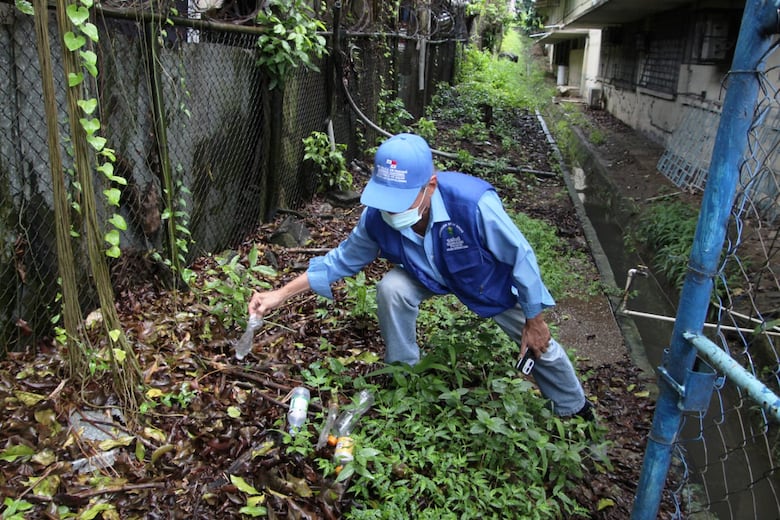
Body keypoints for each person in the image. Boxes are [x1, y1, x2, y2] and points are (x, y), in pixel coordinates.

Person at [250, 133, 592, 418]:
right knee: (391, 287)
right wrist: (278, 295)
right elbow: (340, 260)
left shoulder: (473, 204)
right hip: (425, 275)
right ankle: (404, 373)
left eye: (400, 200)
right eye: (385, 200)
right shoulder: (376, 219)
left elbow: (521, 256)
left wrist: (535, 319)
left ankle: (574, 408)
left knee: (538, 343)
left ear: (430, 185)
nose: (391, 210)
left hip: (484, 280)